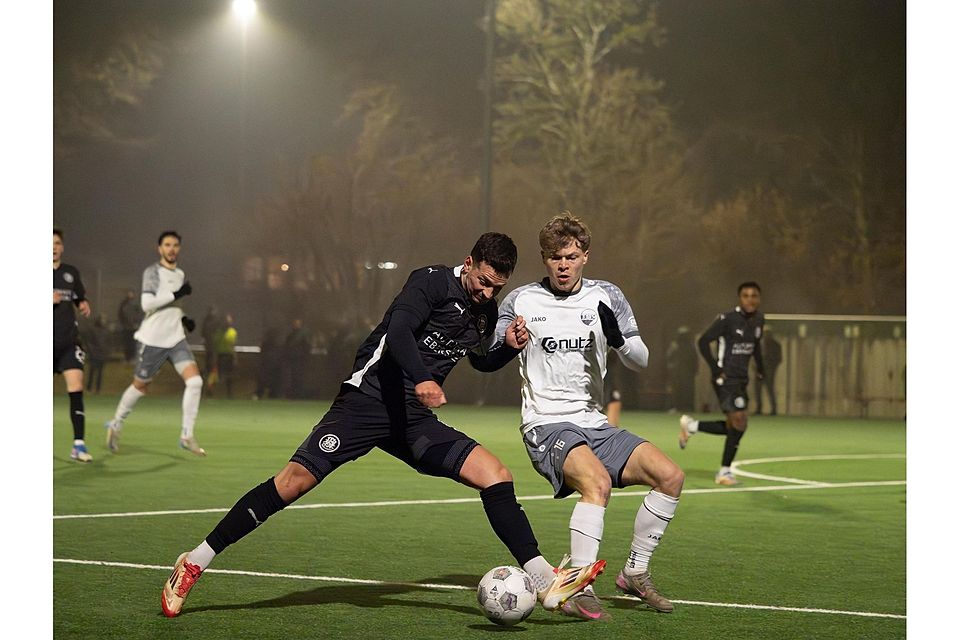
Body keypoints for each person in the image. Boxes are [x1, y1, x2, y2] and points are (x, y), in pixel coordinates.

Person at [160, 232, 605, 618]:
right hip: (367, 402)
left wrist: (507, 346)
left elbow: (482, 362)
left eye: (497, 287)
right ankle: (194, 561)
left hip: (411, 419)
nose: (487, 294)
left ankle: (544, 579)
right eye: (483, 282)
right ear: (468, 263)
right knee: (292, 482)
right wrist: (424, 378)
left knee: (495, 475)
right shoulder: (429, 281)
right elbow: (399, 333)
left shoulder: (483, 310)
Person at [495, 214, 684, 620]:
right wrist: (508, 343)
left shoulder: (607, 297)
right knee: (596, 483)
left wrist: (618, 340)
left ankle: (635, 571)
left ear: (585, 256)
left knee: (670, 477)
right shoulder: (521, 301)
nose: (562, 265)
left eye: (571, 256)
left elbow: (641, 359)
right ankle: (578, 584)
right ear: (544, 260)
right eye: (554, 257)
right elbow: (490, 355)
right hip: (545, 422)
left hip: (593, 422)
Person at [104, 231, 206, 456]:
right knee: (140, 386)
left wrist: (183, 319)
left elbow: (173, 304)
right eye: (167, 245)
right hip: (153, 339)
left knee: (195, 382)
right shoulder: (152, 272)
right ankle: (116, 423)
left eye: (175, 245)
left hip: (176, 338)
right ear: (159, 249)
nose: (171, 249)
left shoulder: (179, 273)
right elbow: (147, 303)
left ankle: (186, 435)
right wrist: (177, 293)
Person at [678, 282, 765, 485]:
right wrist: (716, 369)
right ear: (739, 298)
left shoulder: (759, 319)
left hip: (741, 380)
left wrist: (761, 368)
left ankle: (692, 426)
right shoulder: (728, 319)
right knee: (740, 422)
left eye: (754, 296)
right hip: (725, 380)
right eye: (746, 295)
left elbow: (756, 346)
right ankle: (724, 472)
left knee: (735, 426)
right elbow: (703, 341)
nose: (750, 299)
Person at [53, 228, 93, 462]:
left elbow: (79, 296)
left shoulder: (70, 272)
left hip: (69, 341)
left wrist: (83, 304)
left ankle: (79, 445)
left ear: (62, 246)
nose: (53, 246)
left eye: (57, 242)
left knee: (76, 388)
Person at [665, 326, 698, 412]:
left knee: (687, 391)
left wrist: (694, 370)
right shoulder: (674, 346)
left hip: (687, 373)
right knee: (676, 390)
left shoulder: (691, 347)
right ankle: (676, 407)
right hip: (677, 373)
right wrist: (671, 369)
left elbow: (694, 360)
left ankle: (688, 407)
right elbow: (669, 358)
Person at [208, 314, 237, 398]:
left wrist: (234, 357)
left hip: (229, 355)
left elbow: (233, 345)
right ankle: (211, 390)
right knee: (218, 375)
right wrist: (214, 357)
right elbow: (215, 345)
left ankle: (229, 393)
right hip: (221, 355)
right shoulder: (219, 332)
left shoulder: (232, 332)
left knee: (229, 375)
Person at [754, 325, 782, 415]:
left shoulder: (776, 345)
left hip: (769, 371)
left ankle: (774, 409)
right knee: (757, 390)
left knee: (770, 390)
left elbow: (779, 359)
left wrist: (772, 368)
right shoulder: (758, 344)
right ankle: (759, 408)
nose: (766, 335)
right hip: (759, 371)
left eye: (767, 333)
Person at [82, 314, 111, 394]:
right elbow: (89, 342)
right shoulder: (93, 330)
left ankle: (98, 389)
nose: (104, 322)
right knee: (92, 371)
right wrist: (92, 351)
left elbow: (108, 343)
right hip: (94, 354)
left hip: (101, 354)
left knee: (100, 373)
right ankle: (89, 388)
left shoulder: (106, 331)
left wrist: (106, 352)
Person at [284, 318, 312, 399]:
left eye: (297, 323)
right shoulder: (293, 334)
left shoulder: (302, 334)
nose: (295, 325)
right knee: (293, 377)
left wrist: (304, 356)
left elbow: (306, 346)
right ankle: (294, 394)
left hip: (299, 359)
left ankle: (298, 394)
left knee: (298, 377)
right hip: (293, 358)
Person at [253, 327, 282, 400]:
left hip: (270, 365)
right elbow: (262, 354)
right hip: (268, 365)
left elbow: (262, 354)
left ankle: (264, 394)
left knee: (266, 381)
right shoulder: (270, 344)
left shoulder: (273, 344)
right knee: (265, 381)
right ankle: (262, 394)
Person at [117, 289, 143, 364]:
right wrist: (124, 323)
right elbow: (121, 315)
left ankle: (132, 358)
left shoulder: (135, 304)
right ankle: (127, 358)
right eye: (129, 293)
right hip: (126, 327)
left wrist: (136, 323)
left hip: (133, 328)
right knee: (127, 343)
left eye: (131, 293)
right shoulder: (124, 304)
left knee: (133, 344)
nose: (130, 295)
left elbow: (139, 314)